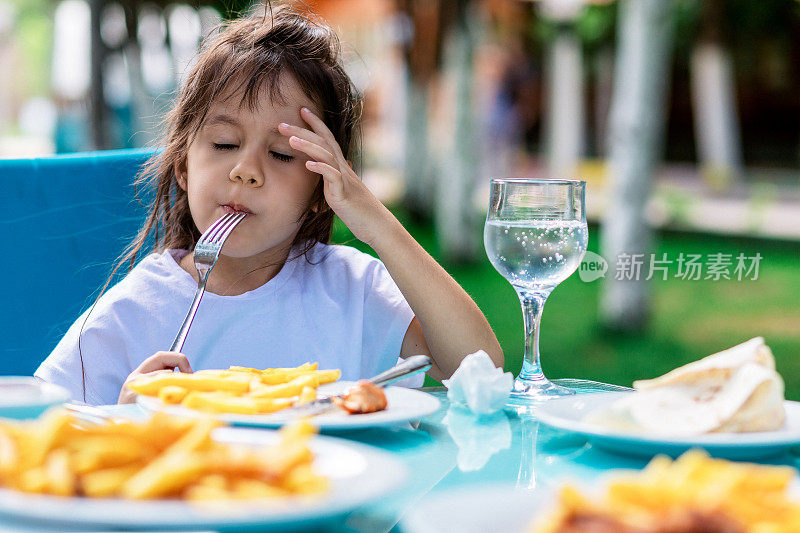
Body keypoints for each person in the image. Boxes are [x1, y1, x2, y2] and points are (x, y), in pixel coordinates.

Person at [35, 4, 503, 406]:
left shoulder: (353, 291)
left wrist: (377, 222)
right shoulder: (134, 311)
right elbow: (37, 428)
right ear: (182, 168)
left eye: (282, 155)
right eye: (222, 143)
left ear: (322, 189)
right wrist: (123, 423)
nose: (246, 169)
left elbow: (478, 366)